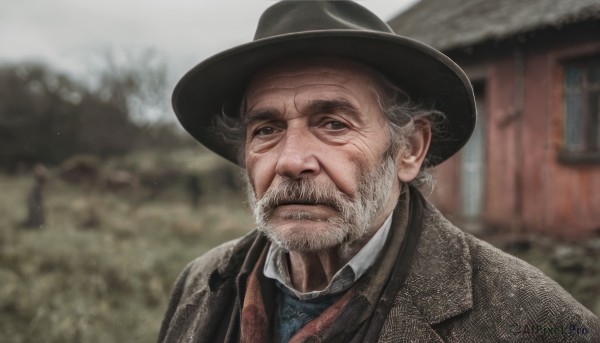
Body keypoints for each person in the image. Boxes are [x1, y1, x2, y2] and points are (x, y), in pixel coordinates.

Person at [158, 1, 599, 342]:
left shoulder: (536, 321)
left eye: (333, 124)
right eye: (267, 129)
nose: (291, 161)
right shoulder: (200, 283)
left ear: (409, 148)